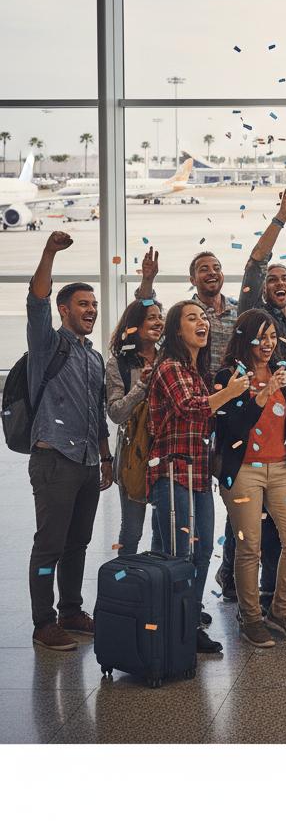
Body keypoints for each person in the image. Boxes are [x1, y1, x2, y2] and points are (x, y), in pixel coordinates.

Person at [220, 183, 286, 609]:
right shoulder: (252, 316)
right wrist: (281, 218)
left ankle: (279, 589)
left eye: (285, 279)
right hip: (247, 438)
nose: (278, 283)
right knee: (246, 524)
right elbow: (255, 262)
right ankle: (233, 582)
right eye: (272, 279)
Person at [213, 309, 286, 647]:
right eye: (262, 337)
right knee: (250, 547)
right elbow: (230, 427)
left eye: (273, 337)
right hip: (243, 471)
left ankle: (280, 610)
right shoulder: (229, 375)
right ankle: (251, 618)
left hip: (283, 469)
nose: (268, 343)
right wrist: (261, 396)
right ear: (245, 337)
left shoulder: (281, 371)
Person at [26, 232, 113, 651]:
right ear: (64, 310)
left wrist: (105, 458)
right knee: (50, 546)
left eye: (93, 304)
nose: (91, 309)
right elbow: (36, 300)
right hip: (54, 459)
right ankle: (43, 622)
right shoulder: (48, 345)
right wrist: (49, 253)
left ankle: (71, 611)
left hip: (87, 462)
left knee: (78, 543)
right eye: (83, 304)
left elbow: (98, 411)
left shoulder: (93, 357)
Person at [148, 301, 250, 655]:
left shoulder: (198, 372)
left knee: (203, 550)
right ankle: (172, 626)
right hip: (173, 471)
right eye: (192, 318)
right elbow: (190, 408)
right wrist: (229, 393)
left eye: (203, 317)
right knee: (178, 554)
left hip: (199, 474)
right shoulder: (170, 367)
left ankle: (188, 619)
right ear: (177, 330)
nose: (202, 322)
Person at [105, 298, 163, 557]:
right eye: (151, 317)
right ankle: (125, 577)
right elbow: (116, 412)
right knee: (131, 530)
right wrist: (141, 386)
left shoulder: (169, 357)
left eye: (160, 316)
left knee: (164, 530)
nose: (158, 322)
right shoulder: (118, 363)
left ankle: (159, 577)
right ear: (135, 325)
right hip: (133, 456)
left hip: (166, 452)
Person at [136, 246, 237, 374]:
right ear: (193, 280)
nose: (212, 272)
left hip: (235, 384)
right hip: (192, 384)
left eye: (217, 268)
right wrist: (147, 280)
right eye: (204, 269)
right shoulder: (183, 314)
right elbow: (147, 309)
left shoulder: (238, 310)